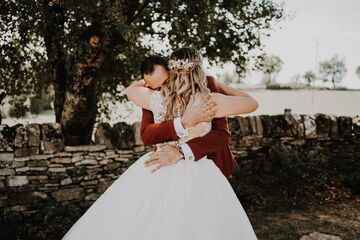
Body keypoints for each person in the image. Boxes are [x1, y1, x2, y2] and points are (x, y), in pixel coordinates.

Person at [62, 47, 258, 240]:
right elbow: (251, 103)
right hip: (198, 171)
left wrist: (149, 83)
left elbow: (130, 90)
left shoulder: (156, 98)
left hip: (159, 168)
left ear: (171, 71)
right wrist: (217, 84)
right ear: (199, 71)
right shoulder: (211, 101)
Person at [134, 55, 256, 177]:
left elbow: (221, 134)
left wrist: (182, 151)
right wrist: (181, 123)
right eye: (154, 88)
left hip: (206, 163)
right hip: (165, 166)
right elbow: (147, 136)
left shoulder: (207, 89)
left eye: (166, 82)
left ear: (173, 72)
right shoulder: (153, 96)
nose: (162, 90)